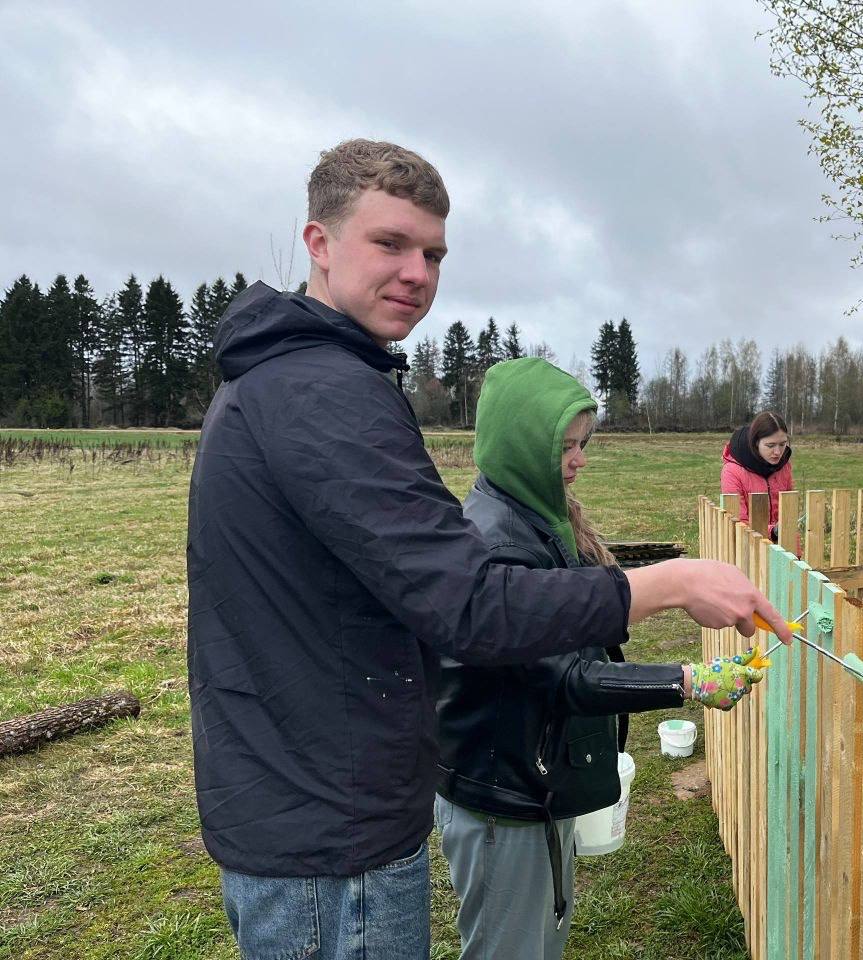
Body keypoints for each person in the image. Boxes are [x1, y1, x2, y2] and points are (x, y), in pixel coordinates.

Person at [186, 139, 791, 960]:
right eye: (390, 243)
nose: (417, 273)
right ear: (319, 243)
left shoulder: (293, 378)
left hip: (310, 804)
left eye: (434, 254)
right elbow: (470, 605)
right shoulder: (321, 392)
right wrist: (673, 585)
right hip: (332, 835)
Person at [434, 357, 763, 960]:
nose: (580, 459)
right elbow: (563, 677)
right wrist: (685, 681)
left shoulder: (537, 516)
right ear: (520, 445)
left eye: (582, 443)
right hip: (503, 796)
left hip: (534, 782)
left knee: (542, 939)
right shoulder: (500, 544)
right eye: (565, 446)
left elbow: (581, 616)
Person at [720, 411, 795, 542]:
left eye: (782, 444)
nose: (778, 452)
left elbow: (789, 515)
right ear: (755, 443)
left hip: (781, 548)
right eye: (770, 445)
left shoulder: (784, 467)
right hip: (748, 547)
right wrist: (773, 531)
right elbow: (738, 523)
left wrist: (795, 552)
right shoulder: (732, 471)